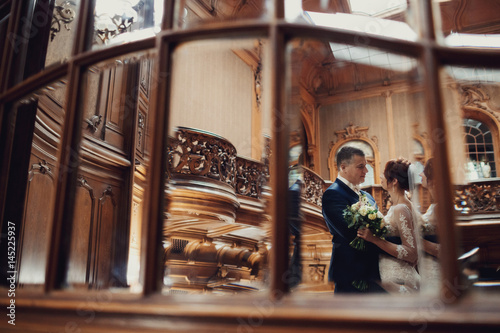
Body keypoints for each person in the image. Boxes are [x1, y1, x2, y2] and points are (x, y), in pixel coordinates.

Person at [322, 146, 385, 293]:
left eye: (366, 166)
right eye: (360, 167)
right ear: (343, 167)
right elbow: (352, 232)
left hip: (373, 271)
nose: (366, 171)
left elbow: (379, 227)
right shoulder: (332, 194)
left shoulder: (367, 196)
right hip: (350, 272)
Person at [358, 158, 420, 294]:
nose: (380, 176)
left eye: (384, 174)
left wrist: (374, 239)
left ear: (394, 181)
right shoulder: (401, 206)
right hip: (395, 270)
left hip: (397, 277)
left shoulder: (401, 209)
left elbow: (411, 253)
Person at [418, 158, 441, 291]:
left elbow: (445, 250)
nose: (421, 175)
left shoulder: (441, 208)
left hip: (436, 268)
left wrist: (416, 240)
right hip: (426, 266)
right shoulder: (434, 206)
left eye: (424, 172)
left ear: (432, 178)